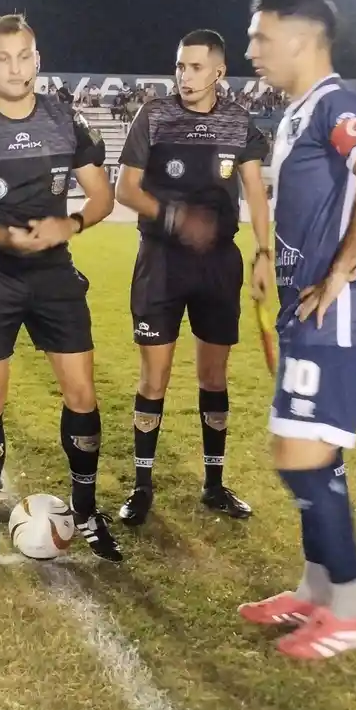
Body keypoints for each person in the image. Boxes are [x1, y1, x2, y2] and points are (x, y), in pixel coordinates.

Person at [236, 0, 356, 661]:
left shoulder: (335, 105)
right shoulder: (296, 113)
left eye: (261, 37)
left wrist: (339, 272)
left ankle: (354, 609)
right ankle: (316, 589)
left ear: (303, 40)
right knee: (303, 450)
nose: (251, 51)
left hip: (338, 314)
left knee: (301, 457)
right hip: (304, 309)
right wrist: (269, 256)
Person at [0, 14, 120, 573]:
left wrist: (69, 226)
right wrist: (12, 238)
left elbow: (101, 196)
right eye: (3, 57)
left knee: (82, 395)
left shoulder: (68, 119)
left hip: (53, 276)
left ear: (38, 60)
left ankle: (88, 513)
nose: (15, 67)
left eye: (24, 56)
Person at [113, 29, 273, 526]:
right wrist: (179, 220)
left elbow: (256, 193)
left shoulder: (238, 122)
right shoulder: (154, 116)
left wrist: (264, 252)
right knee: (154, 377)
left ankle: (214, 484)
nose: (185, 76)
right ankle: (141, 486)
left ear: (219, 72)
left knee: (213, 376)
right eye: (180, 66)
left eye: (196, 67)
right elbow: (125, 189)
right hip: (161, 261)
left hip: (217, 264)